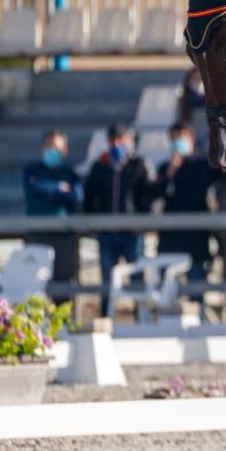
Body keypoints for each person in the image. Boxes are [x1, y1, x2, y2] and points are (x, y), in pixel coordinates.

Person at [83, 124, 154, 312]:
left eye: (121, 140)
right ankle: (106, 317)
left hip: (132, 234)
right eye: (113, 140)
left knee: (137, 279)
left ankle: (142, 320)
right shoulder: (100, 167)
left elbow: (147, 198)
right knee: (107, 282)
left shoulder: (138, 165)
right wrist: (97, 223)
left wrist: (142, 223)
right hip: (107, 234)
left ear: (129, 141)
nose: (116, 144)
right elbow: (89, 198)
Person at [148, 122, 221, 281]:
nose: (177, 142)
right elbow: (154, 194)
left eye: (180, 137)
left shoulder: (203, 165)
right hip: (170, 238)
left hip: (196, 237)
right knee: (167, 287)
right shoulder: (165, 167)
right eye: (173, 138)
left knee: (196, 285)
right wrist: (169, 174)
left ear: (191, 139)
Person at [21, 129, 83, 289]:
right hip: (38, 235)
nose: (52, 150)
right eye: (48, 146)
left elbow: (77, 197)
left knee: (63, 288)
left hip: (64, 237)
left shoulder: (69, 173)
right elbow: (34, 190)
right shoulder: (32, 170)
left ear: (64, 151)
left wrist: (48, 190)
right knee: (33, 288)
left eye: (56, 147)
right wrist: (59, 188)